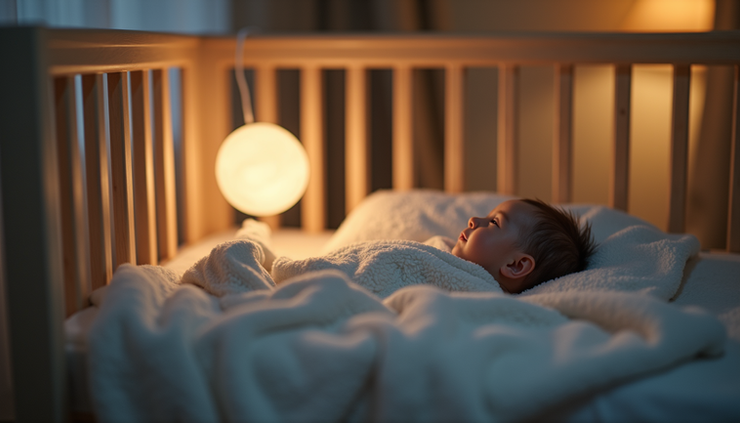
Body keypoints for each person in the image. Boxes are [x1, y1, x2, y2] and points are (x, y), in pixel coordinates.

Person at [449, 199, 596, 294]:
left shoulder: (486, 300)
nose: (473, 220)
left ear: (516, 265)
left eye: (494, 222)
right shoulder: (440, 246)